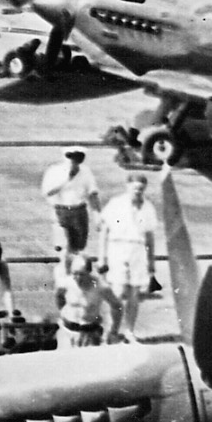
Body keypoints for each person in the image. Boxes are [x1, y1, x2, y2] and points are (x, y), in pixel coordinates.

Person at [100, 174, 162, 341]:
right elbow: (104, 231)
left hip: (138, 250)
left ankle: (129, 331)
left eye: (141, 189)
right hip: (118, 248)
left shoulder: (148, 207)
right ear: (127, 186)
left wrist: (151, 261)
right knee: (118, 292)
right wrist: (102, 257)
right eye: (135, 188)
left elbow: (149, 237)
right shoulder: (115, 204)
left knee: (135, 294)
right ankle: (112, 330)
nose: (138, 191)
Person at [40, 147, 101, 255]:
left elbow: (92, 194)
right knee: (65, 247)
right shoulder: (54, 171)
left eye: (78, 159)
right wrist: (67, 180)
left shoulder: (86, 171)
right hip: (61, 211)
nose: (74, 162)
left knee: (78, 249)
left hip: (79, 212)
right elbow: (47, 192)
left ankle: (74, 270)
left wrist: (97, 215)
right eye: (70, 158)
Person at [55, 253, 121, 347]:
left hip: (90, 333)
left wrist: (114, 331)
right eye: (75, 273)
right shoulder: (66, 283)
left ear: (89, 272)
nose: (77, 278)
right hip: (67, 331)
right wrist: (62, 311)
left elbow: (117, 306)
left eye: (81, 274)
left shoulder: (101, 287)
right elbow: (58, 296)